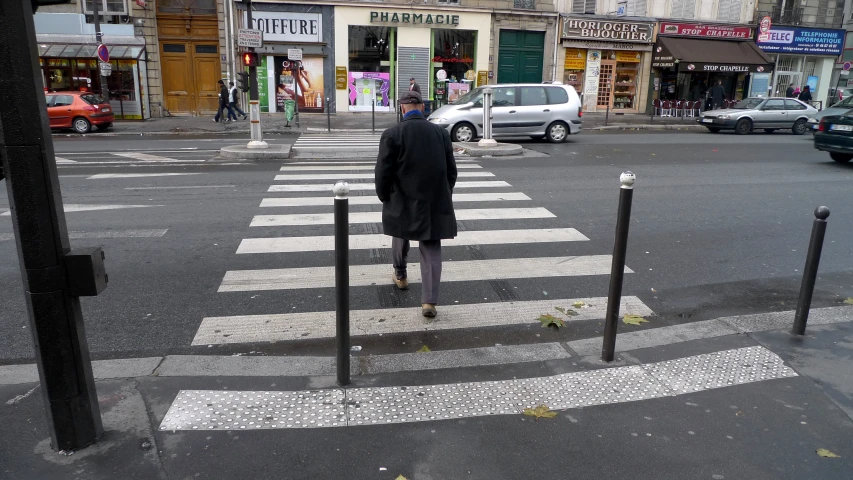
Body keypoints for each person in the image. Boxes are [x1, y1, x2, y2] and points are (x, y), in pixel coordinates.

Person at [375, 90, 457, 318]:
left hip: (402, 198)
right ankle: (429, 301)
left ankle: (400, 276)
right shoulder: (440, 133)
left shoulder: (392, 134)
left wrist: (384, 196)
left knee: (400, 234)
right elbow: (451, 171)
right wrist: (445, 193)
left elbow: (383, 172)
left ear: (402, 108)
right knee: (431, 247)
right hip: (433, 200)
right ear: (422, 107)